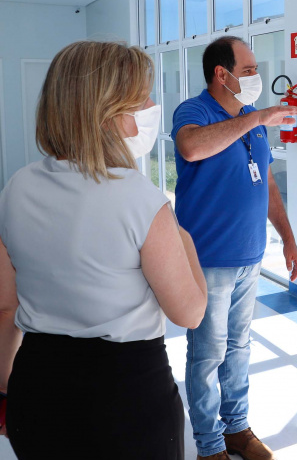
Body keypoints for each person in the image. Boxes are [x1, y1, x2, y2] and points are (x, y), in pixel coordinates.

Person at [0, 41, 207, 458]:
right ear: (106, 111)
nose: (151, 107)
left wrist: (6, 390)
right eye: (140, 99)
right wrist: (182, 238)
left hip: (37, 387)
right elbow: (190, 312)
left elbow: (6, 307)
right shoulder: (139, 198)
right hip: (126, 399)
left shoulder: (17, 187)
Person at [173, 36, 297, 460]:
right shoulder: (194, 111)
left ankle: (236, 429)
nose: (255, 76)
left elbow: (267, 183)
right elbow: (192, 147)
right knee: (208, 353)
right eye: (248, 70)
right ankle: (209, 444)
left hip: (250, 256)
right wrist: (258, 118)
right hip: (209, 259)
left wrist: (288, 237)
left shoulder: (252, 119)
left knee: (238, 348)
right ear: (221, 74)